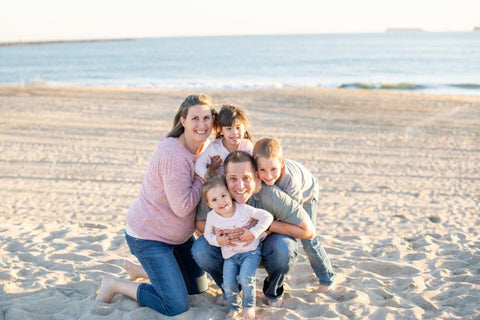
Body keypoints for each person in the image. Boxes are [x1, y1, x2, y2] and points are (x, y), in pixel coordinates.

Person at [95, 94, 216, 316]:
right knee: (176, 305)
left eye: (207, 118)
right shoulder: (172, 153)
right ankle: (116, 284)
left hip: (178, 238)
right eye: (195, 118)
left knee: (198, 288)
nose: (202, 125)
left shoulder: (204, 147)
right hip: (149, 237)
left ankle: (141, 271)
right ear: (183, 121)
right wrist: (204, 176)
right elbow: (182, 207)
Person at [193, 150, 316, 307]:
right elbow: (199, 223)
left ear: (256, 176)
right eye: (233, 179)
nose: (240, 186)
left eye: (246, 178)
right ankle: (231, 289)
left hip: (266, 247)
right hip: (232, 248)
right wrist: (221, 232)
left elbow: (308, 231)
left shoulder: (271, 195)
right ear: (225, 178)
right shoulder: (218, 193)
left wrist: (263, 227)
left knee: (284, 247)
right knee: (200, 249)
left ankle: (272, 290)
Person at [253, 137, 335, 292]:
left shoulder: (291, 182)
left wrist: (269, 228)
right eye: (262, 170)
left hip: (306, 195)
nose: (268, 176)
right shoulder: (260, 175)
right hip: (282, 198)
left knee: (309, 240)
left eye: (273, 170)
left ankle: (326, 279)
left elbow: (293, 216)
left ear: (282, 164)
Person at [202, 173, 273, 320]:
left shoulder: (243, 209)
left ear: (230, 194)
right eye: (214, 200)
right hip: (230, 256)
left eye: (223, 196)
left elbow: (267, 217)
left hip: (250, 252)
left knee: (245, 277)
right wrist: (218, 241)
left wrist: (254, 233)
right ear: (209, 204)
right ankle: (235, 307)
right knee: (228, 283)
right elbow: (207, 235)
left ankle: (249, 307)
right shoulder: (212, 217)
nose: (221, 202)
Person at [195, 104, 253, 179]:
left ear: (244, 128)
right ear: (221, 131)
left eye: (238, 127)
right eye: (229, 128)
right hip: (220, 185)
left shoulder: (247, 146)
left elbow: (254, 166)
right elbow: (199, 164)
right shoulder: (215, 148)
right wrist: (207, 176)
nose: (234, 132)